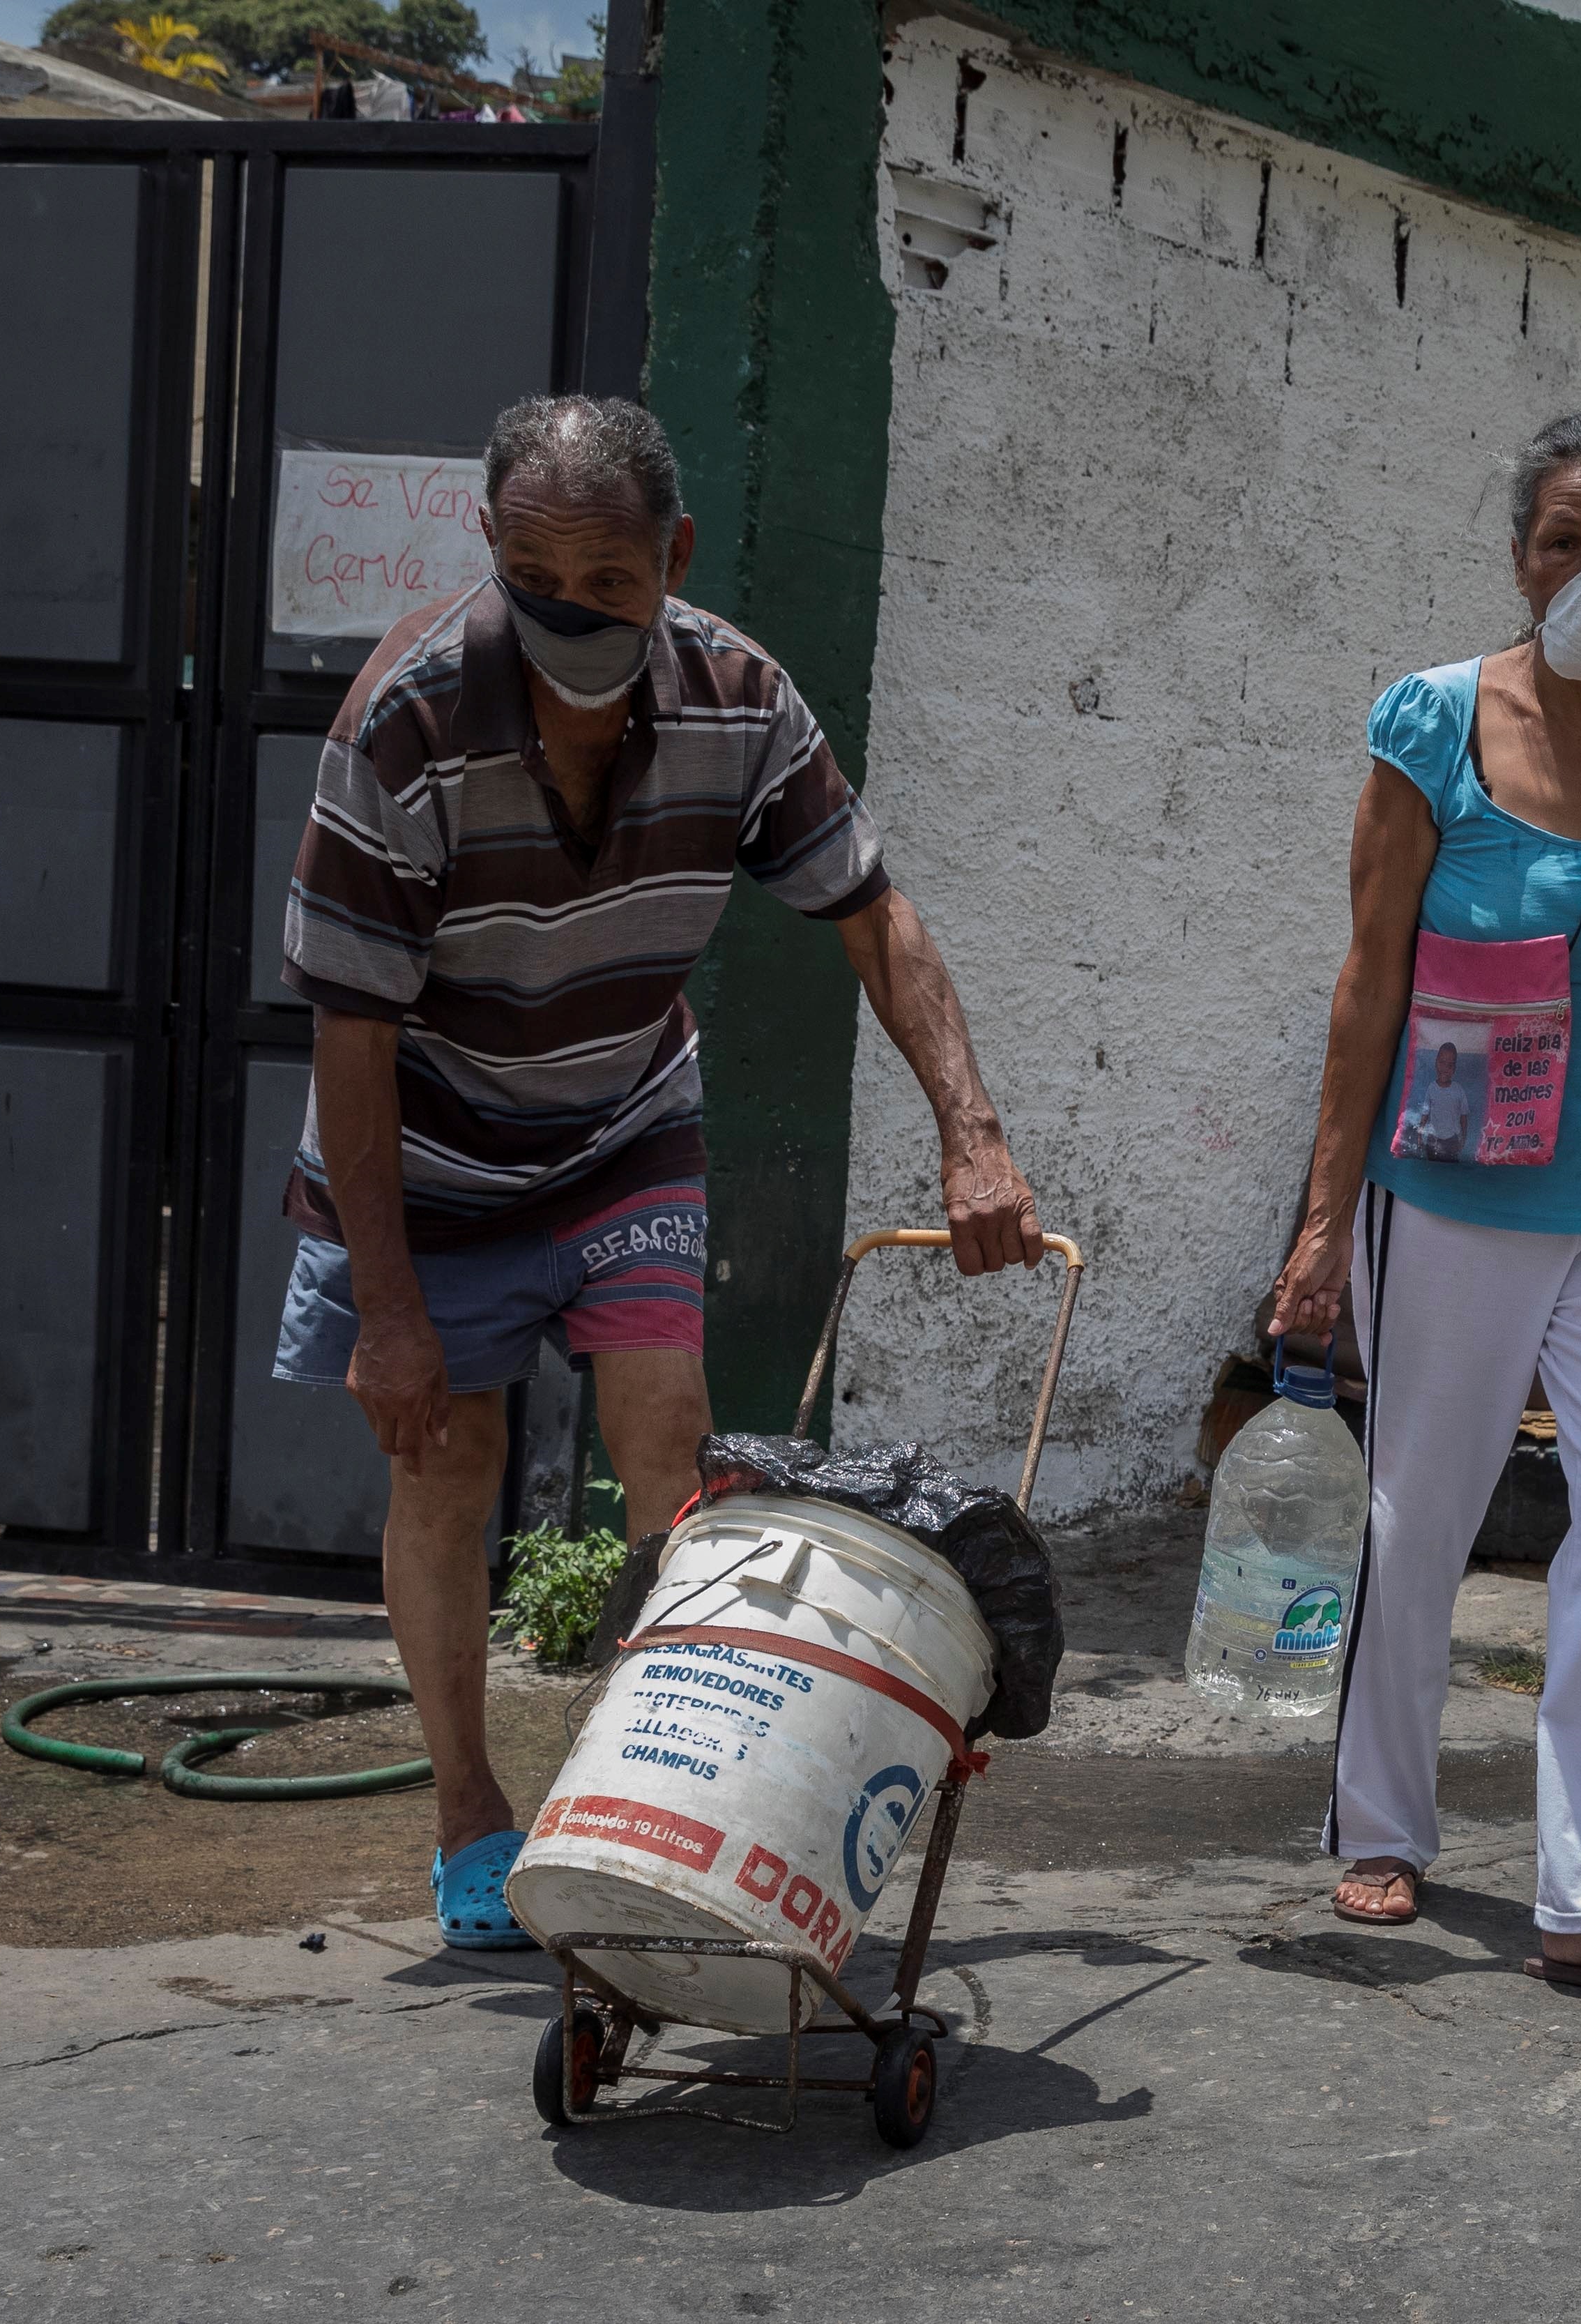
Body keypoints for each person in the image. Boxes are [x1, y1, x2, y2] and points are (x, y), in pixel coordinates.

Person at [273, 394, 1043, 1950]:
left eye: (610, 584)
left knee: (669, 1435)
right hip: (422, 1150)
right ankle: (470, 1818)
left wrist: (974, 1131)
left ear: (672, 557)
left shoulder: (740, 699)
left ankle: (663, 1794)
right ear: (488, 546)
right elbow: (348, 1040)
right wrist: (390, 1309)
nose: (571, 614)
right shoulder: (403, 722)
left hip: (624, 1120)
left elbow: (873, 913)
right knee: (447, 1463)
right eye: (536, 575)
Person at [1267, 410, 1581, 2003]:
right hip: (1456, 1191)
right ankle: (1382, 1819)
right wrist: (1319, 1225)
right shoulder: (1431, 725)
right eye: (1564, 538)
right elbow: (1369, 982)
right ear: (1519, 557)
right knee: (1424, 1511)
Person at [1398, 1040, 1472, 1160]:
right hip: (1433, 1140)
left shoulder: (1459, 1090)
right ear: (1436, 1063)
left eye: (1450, 1065)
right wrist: (1420, 1135)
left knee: (1451, 1168)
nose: (1445, 1068)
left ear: (1455, 1068)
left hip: (1452, 1141)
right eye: (1442, 1062)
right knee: (1432, 1165)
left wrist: (1463, 1138)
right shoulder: (1432, 1088)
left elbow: (1464, 1117)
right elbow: (1425, 1114)